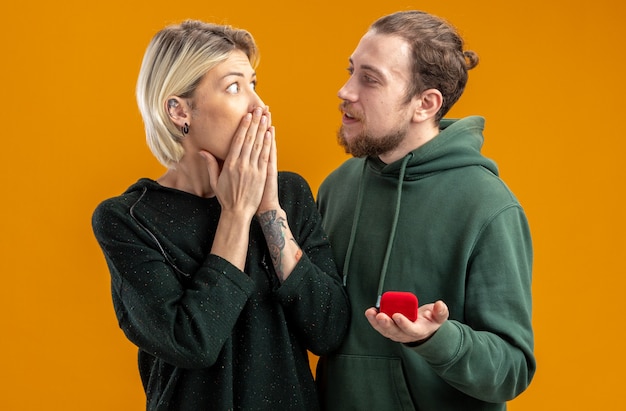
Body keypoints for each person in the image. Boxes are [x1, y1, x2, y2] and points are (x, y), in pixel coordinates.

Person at [91, 20, 349, 411]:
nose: (259, 106)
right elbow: (193, 342)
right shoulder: (127, 219)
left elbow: (329, 330)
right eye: (233, 87)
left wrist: (268, 210)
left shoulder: (288, 195)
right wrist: (236, 213)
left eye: (254, 85)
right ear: (178, 111)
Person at [315, 10, 535, 411]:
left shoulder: (488, 206)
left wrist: (434, 338)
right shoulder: (337, 187)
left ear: (425, 103)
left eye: (370, 78)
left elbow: (512, 370)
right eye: (351, 71)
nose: (345, 91)